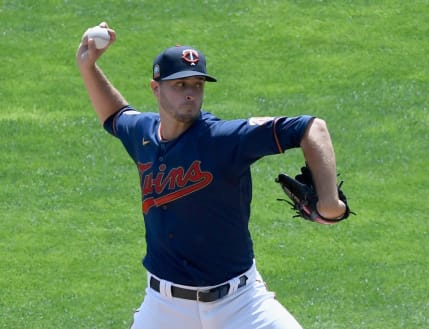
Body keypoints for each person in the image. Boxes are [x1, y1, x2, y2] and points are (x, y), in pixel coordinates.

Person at [76, 22, 347, 329]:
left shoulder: (224, 139)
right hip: (164, 309)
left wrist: (330, 204)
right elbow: (115, 115)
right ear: (156, 88)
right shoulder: (143, 134)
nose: (190, 94)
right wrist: (88, 67)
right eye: (179, 85)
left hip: (241, 304)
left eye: (197, 85)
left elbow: (312, 128)